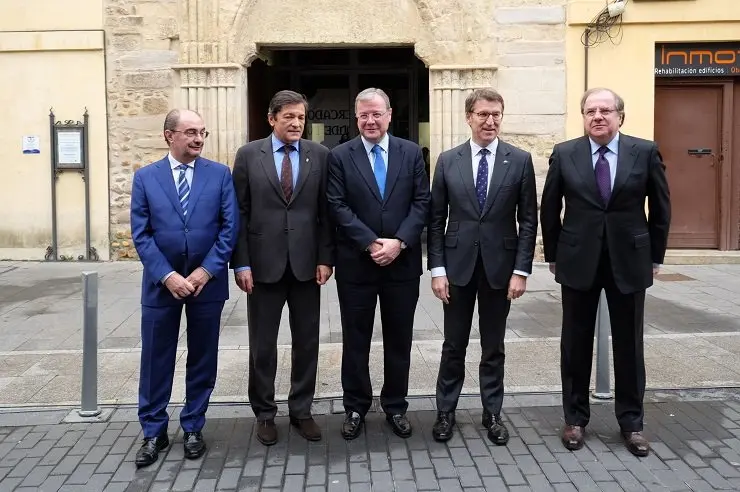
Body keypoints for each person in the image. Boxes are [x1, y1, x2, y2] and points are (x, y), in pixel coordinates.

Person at [540, 87, 670, 457]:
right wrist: (553, 255)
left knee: (629, 345)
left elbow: (661, 207)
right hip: (578, 260)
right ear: (583, 116)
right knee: (574, 344)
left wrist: (656, 256)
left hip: (630, 261)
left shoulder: (643, 152)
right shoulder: (565, 154)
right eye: (590, 110)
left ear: (620, 116)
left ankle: (632, 424)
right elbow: (549, 208)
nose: (598, 116)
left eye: (606, 110)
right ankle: (575, 419)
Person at [427, 88, 538, 444]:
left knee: (493, 346)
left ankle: (493, 413)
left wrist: (521, 271)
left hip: (500, 270)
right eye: (483, 115)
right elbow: (435, 219)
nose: (490, 121)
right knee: (453, 345)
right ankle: (446, 412)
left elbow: (529, 221)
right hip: (457, 268)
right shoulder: (448, 160)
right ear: (469, 117)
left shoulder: (518, 160)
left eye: (496, 115)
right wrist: (437, 270)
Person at [130, 109, 238, 468]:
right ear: (169, 135)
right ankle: (153, 430)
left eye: (202, 133)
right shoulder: (146, 178)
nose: (199, 139)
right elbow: (141, 235)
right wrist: (168, 275)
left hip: (208, 284)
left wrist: (206, 271)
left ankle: (194, 424)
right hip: (162, 285)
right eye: (191, 132)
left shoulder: (220, 175)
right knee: (155, 358)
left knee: (202, 356)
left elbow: (228, 229)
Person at [230, 90, 334, 446]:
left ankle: (301, 410)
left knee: (307, 342)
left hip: (307, 266)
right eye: (288, 116)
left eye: (301, 118)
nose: (296, 123)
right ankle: (264, 414)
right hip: (262, 267)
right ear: (271, 118)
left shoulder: (320, 155)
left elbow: (325, 214)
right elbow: (238, 213)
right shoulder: (247, 155)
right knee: (263, 345)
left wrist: (325, 258)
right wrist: (240, 262)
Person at [327, 88, 430, 440]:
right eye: (363, 115)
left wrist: (399, 242)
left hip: (401, 264)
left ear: (389, 114)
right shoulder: (339, 156)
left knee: (399, 339)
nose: (370, 121)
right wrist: (371, 242)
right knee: (355, 340)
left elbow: (422, 203)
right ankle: (355, 406)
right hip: (357, 264)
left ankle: (396, 406)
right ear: (356, 119)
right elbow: (337, 204)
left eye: (376, 114)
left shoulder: (412, 152)